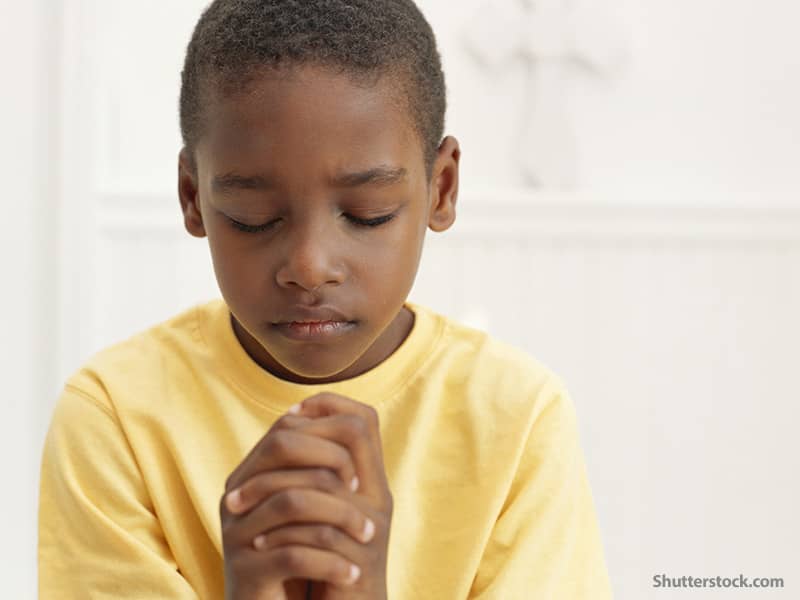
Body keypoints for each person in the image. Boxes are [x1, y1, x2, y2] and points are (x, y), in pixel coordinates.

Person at [38, 1, 612, 598]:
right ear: (192, 198)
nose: (310, 268)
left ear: (441, 188)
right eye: (253, 218)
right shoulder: (116, 418)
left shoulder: (517, 418)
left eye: (369, 215)